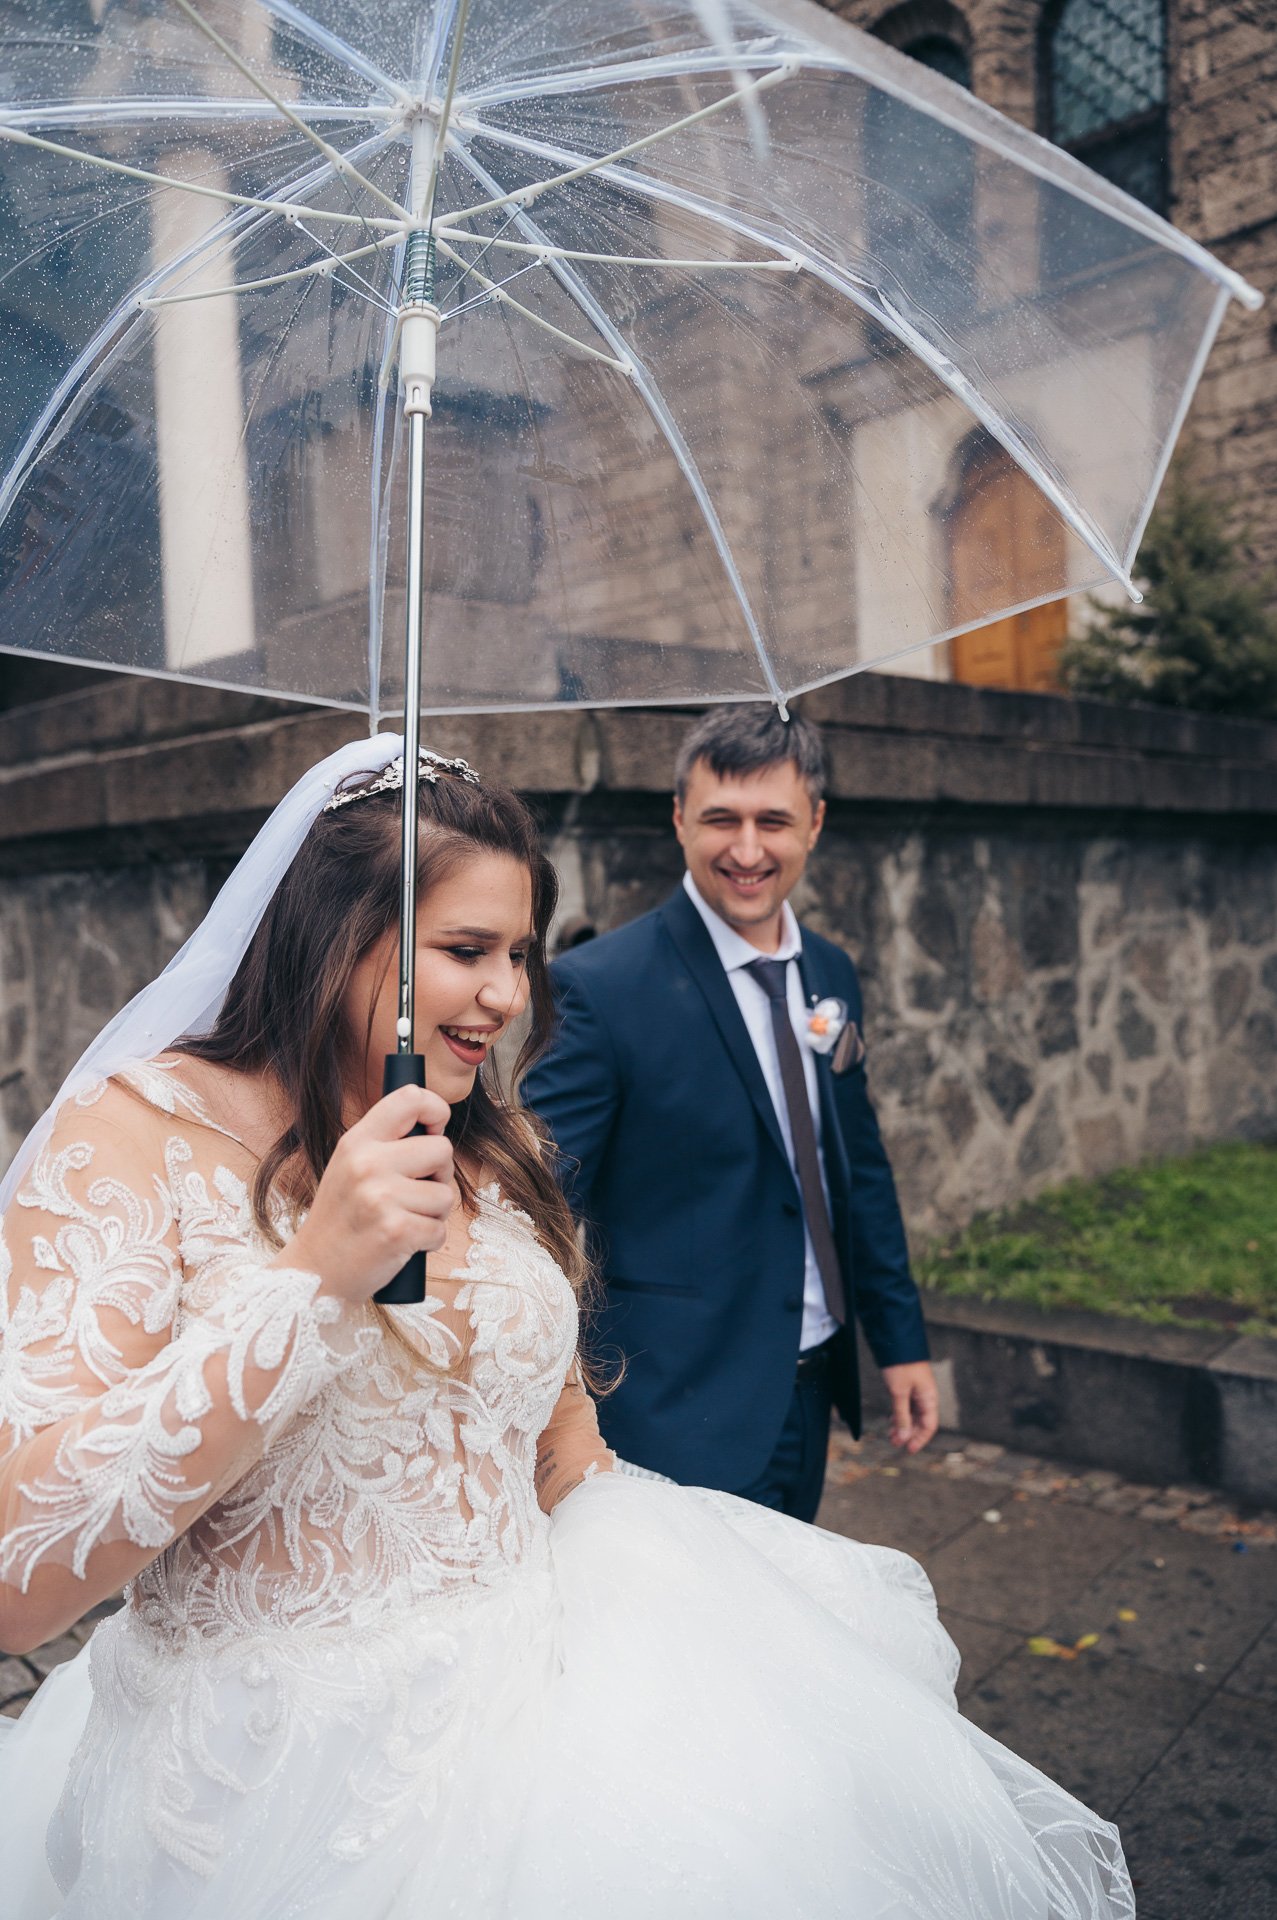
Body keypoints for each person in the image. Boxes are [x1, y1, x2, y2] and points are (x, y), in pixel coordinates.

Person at [0, 736, 1132, 1918]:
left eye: (519, 954)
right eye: (465, 951)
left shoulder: (489, 1142)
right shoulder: (128, 1140)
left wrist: (684, 1611)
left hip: (534, 1741)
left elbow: (552, 1445)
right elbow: (18, 1585)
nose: (507, 995)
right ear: (335, 932)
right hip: (258, 1793)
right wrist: (312, 1283)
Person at [523, 705, 938, 1520]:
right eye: (721, 819)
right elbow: (535, 1206)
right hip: (670, 1407)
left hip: (811, 1381)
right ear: (679, 819)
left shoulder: (830, 972)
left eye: (772, 822)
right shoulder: (599, 988)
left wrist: (900, 1344)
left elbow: (858, 1169)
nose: (747, 851)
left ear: (813, 824)